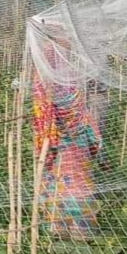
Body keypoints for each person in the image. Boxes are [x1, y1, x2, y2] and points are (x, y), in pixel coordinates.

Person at [29, 32, 103, 238]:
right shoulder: (72, 80)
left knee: (59, 183)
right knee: (76, 184)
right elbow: (81, 113)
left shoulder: (48, 81)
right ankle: (80, 230)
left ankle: (60, 229)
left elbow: (45, 110)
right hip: (77, 143)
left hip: (56, 144)